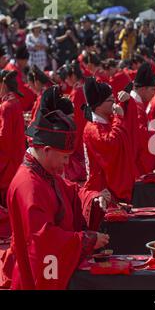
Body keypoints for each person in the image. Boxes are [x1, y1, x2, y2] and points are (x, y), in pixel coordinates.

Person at [5, 109, 111, 289]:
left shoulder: (43, 173)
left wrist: (93, 197)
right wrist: (86, 239)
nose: (67, 163)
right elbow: (43, 240)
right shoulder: (28, 185)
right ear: (46, 150)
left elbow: (70, 190)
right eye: (64, 157)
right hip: (35, 276)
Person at [82, 77, 138, 203]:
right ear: (98, 106)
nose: (115, 104)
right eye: (110, 100)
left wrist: (128, 102)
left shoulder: (108, 120)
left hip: (112, 186)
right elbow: (112, 145)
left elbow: (128, 126)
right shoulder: (92, 128)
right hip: (103, 190)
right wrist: (119, 117)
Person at [0, 70, 26, 208]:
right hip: (17, 157)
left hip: (8, 162)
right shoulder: (14, 102)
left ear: (3, 85)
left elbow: (4, 139)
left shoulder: (6, 106)